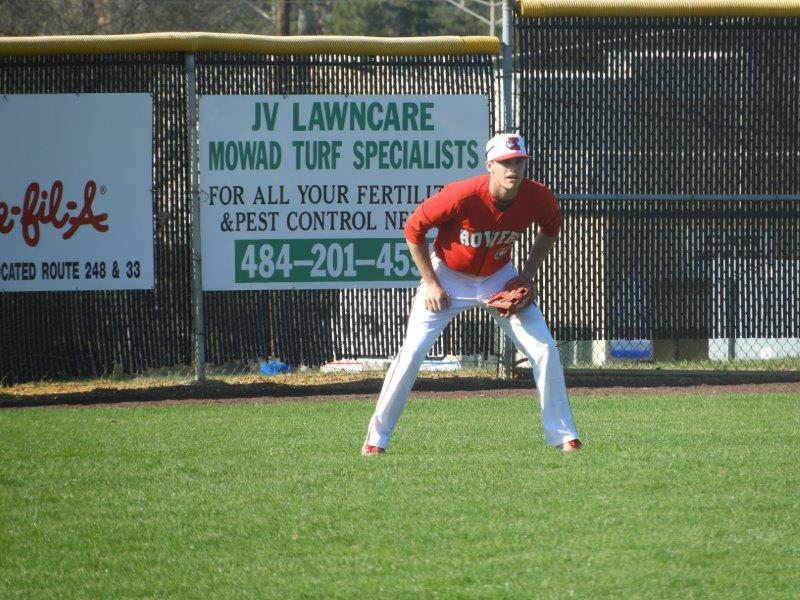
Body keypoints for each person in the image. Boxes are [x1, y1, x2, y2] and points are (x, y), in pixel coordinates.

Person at [361, 132, 582, 456]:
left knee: (545, 350)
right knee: (411, 354)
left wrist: (526, 277)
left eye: (519, 161)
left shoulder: (538, 197)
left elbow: (551, 228)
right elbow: (413, 229)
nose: (513, 169)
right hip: (448, 277)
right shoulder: (462, 195)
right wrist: (432, 282)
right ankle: (375, 440)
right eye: (506, 163)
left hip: (498, 277)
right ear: (490, 165)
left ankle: (565, 436)